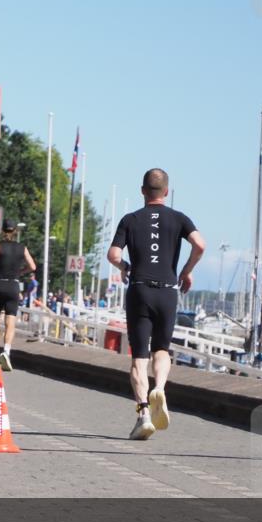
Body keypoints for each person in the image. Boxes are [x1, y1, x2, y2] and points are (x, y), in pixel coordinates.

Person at [107, 168, 205, 441]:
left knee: (139, 357)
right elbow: (200, 244)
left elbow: (113, 254)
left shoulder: (130, 219)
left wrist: (125, 266)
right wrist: (185, 270)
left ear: (142, 191)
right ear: (167, 192)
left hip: (139, 290)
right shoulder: (179, 218)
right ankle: (159, 387)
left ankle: (143, 415)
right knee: (161, 350)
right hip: (167, 292)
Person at [0, 219, 37, 371]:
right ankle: (6, 351)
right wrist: (21, 272)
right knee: (10, 320)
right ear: (15, 232)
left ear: (2, 230)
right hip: (14, 285)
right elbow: (32, 266)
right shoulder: (22, 248)